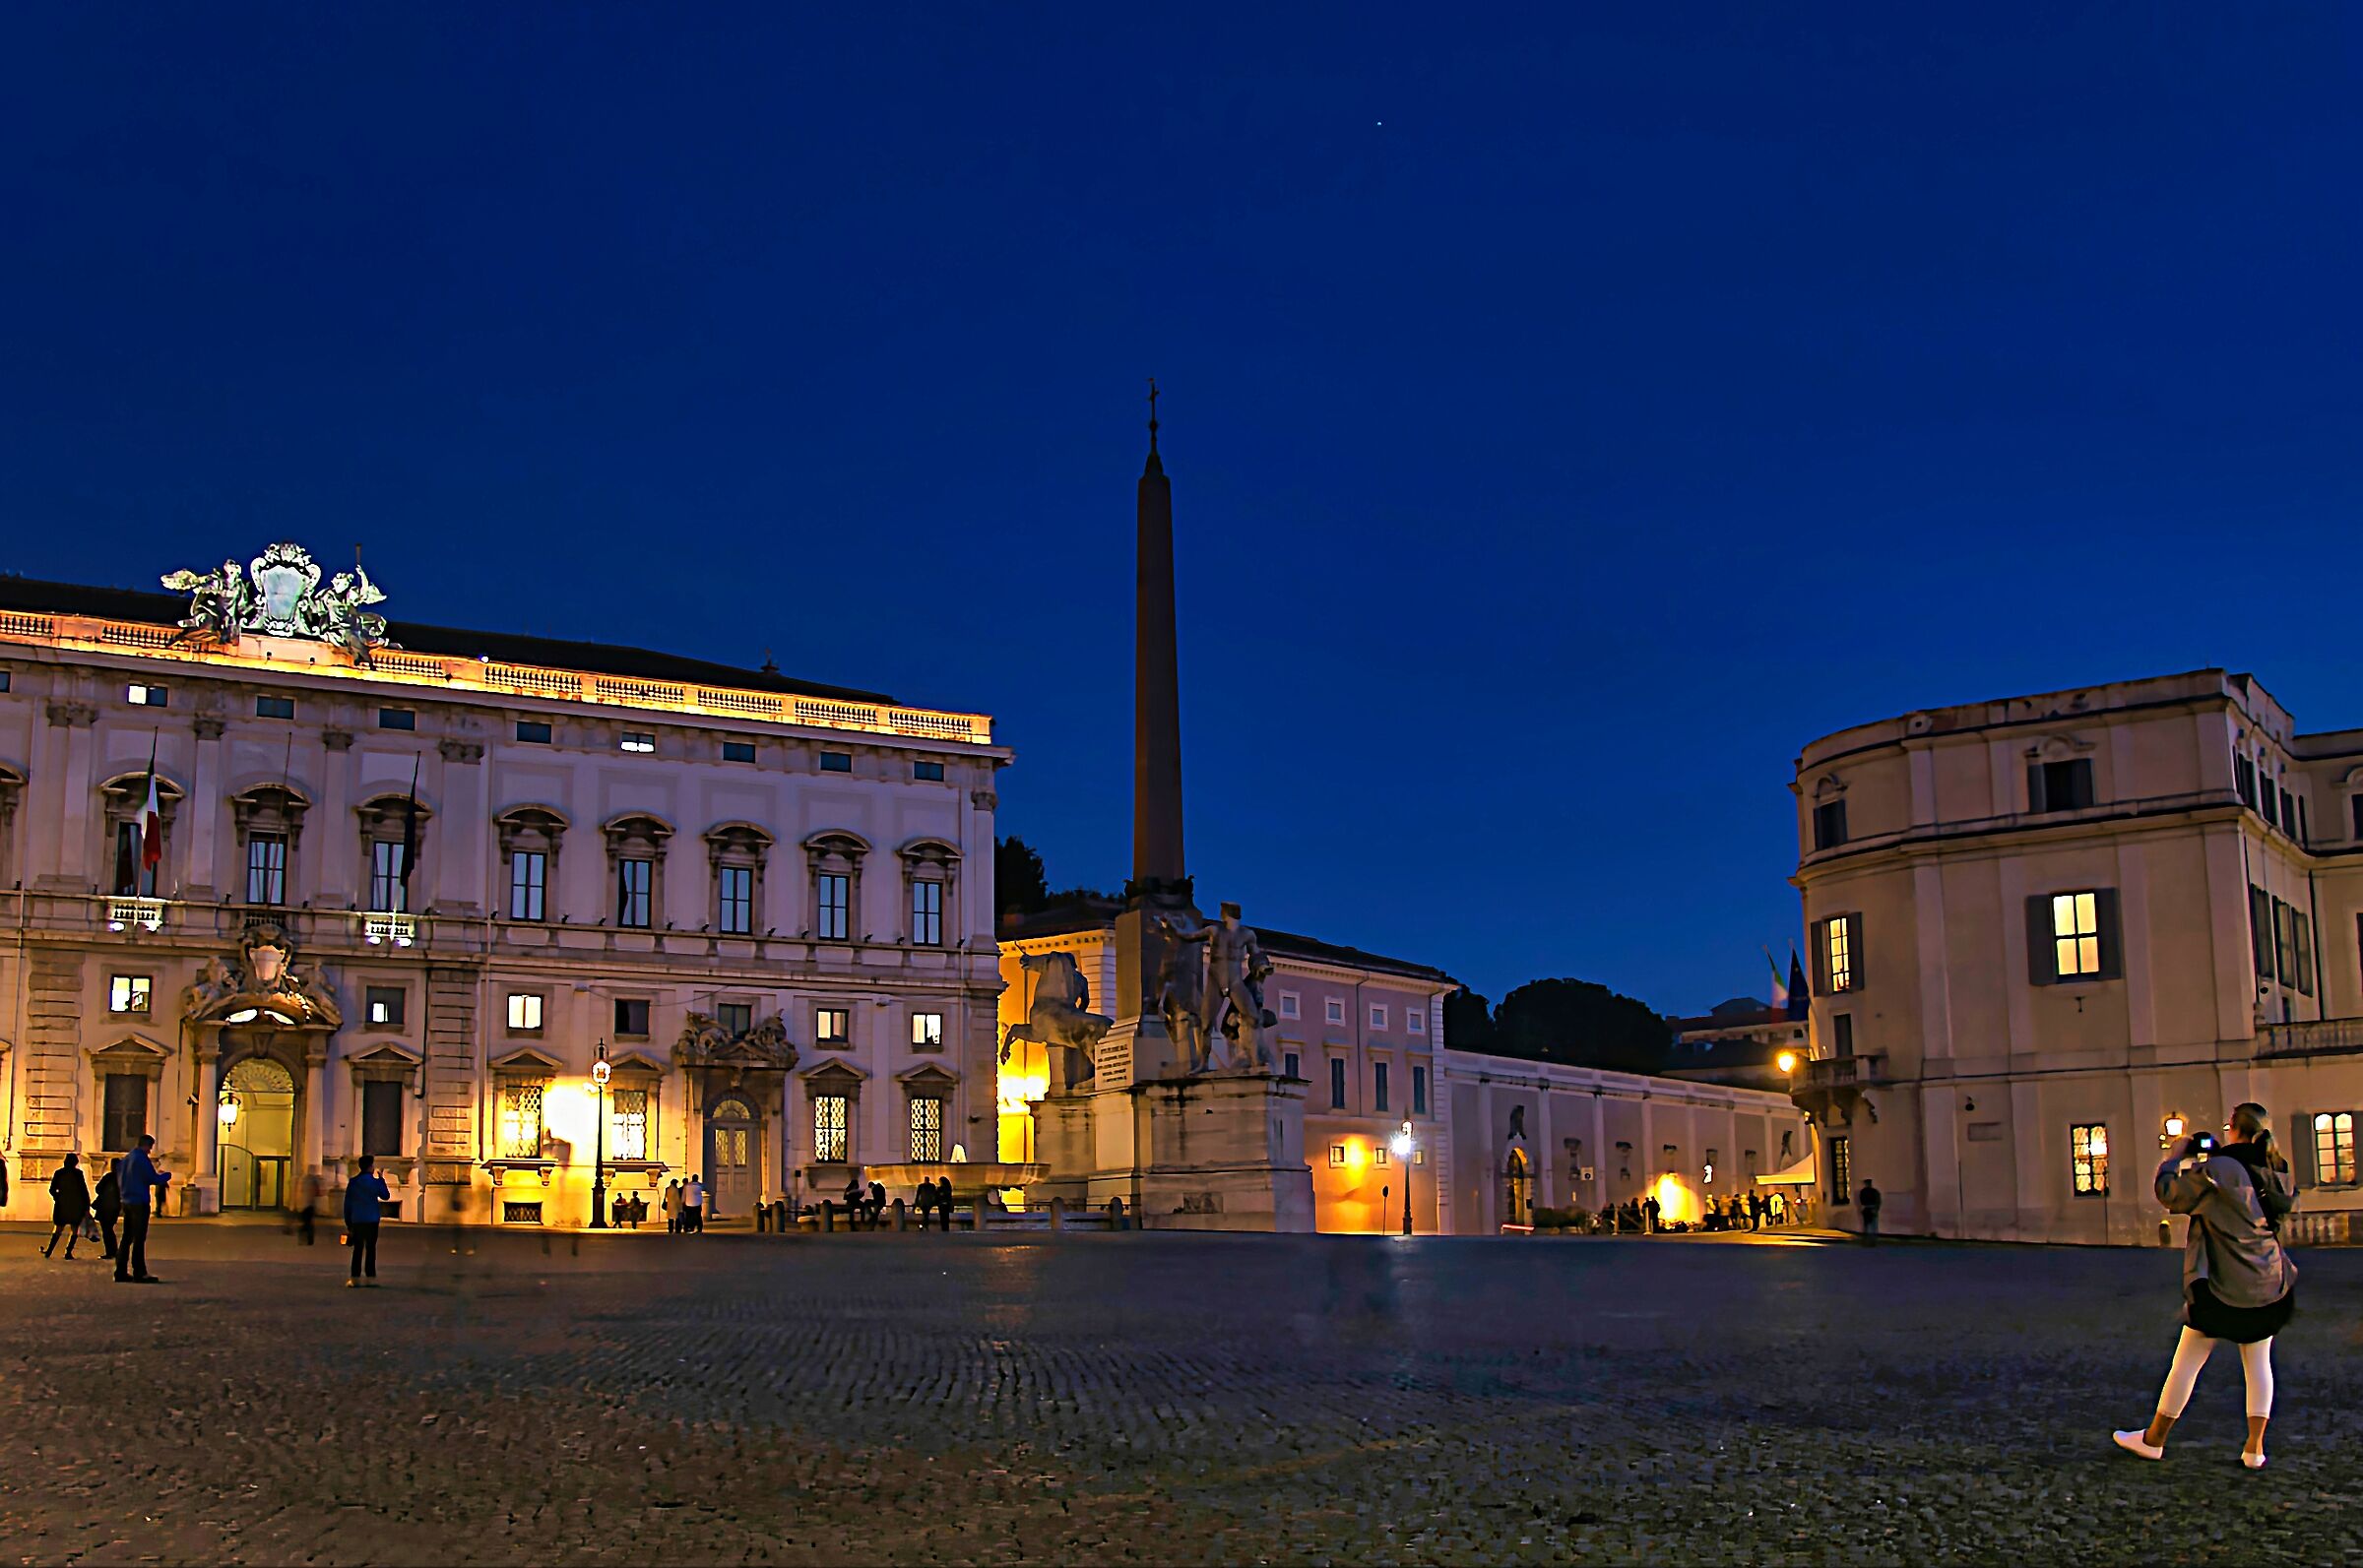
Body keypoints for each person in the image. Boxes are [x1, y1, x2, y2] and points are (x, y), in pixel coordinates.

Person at [2115, 1103, 2297, 1469]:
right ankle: (2255, 1449)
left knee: (2188, 1359)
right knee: (2259, 1362)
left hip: (2223, 1285)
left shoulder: (2220, 1171)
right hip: (2270, 1282)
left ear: (2233, 1129)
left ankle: (2154, 1439)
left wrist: (2175, 1156)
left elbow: (2170, 1193)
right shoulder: (2276, 1168)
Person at [115, 1134, 168, 1284]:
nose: (150, 1151)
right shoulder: (141, 1159)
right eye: (150, 1147)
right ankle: (139, 1272)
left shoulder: (126, 1159)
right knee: (139, 1238)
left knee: (126, 1237)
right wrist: (166, 1176)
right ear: (145, 1145)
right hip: (139, 1201)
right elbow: (152, 1178)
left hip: (126, 1200)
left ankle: (120, 1271)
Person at [344, 1154, 392, 1286]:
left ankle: (355, 1278)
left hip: (357, 1220)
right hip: (372, 1220)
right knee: (371, 1249)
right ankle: (370, 1277)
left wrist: (348, 1222)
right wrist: (381, 1180)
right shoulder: (375, 1182)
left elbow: (347, 1204)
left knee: (357, 1249)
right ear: (370, 1167)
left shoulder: (353, 1182)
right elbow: (386, 1196)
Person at [44, 1153, 91, 1260]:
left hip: (62, 1205)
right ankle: (68, 1252)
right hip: (76, 1205)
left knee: (58, 1229)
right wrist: (86, 1205)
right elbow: (83, 1190)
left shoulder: (59, 1173)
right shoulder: (78, 1174)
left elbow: (52, 1189)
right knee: (74, 1230)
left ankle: (49, 1251)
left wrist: (58, 1197)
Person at [93, 1160, 122, 1260]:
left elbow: (98, 1189)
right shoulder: (123, 1178)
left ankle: (111, 1251)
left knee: (107, 1230)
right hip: (115, 1207)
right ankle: (113, 1251)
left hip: (105, 1207)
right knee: (109, 1229)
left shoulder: (108, 1177)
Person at [296, 1171, 320, 1246]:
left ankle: (305, 1239)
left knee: (306, 1224)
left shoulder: (305, 1181)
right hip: (308, 1205)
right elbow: (317, 1192)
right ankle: (308, 1240)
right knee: (308, 1224)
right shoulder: (312, 1181)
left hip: (306, 1205)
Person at [1858, 1179, 1883, 1244]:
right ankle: (1872, 1240)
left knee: (1867, 1225)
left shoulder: (1863, 1191)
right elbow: (1878, 1200)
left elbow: (1861, 1201)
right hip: (1872, 1208)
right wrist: (1876, 1209)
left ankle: (1868, 1240)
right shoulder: (1874, 1191)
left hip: (1867, 1208)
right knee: (1872, 1225)